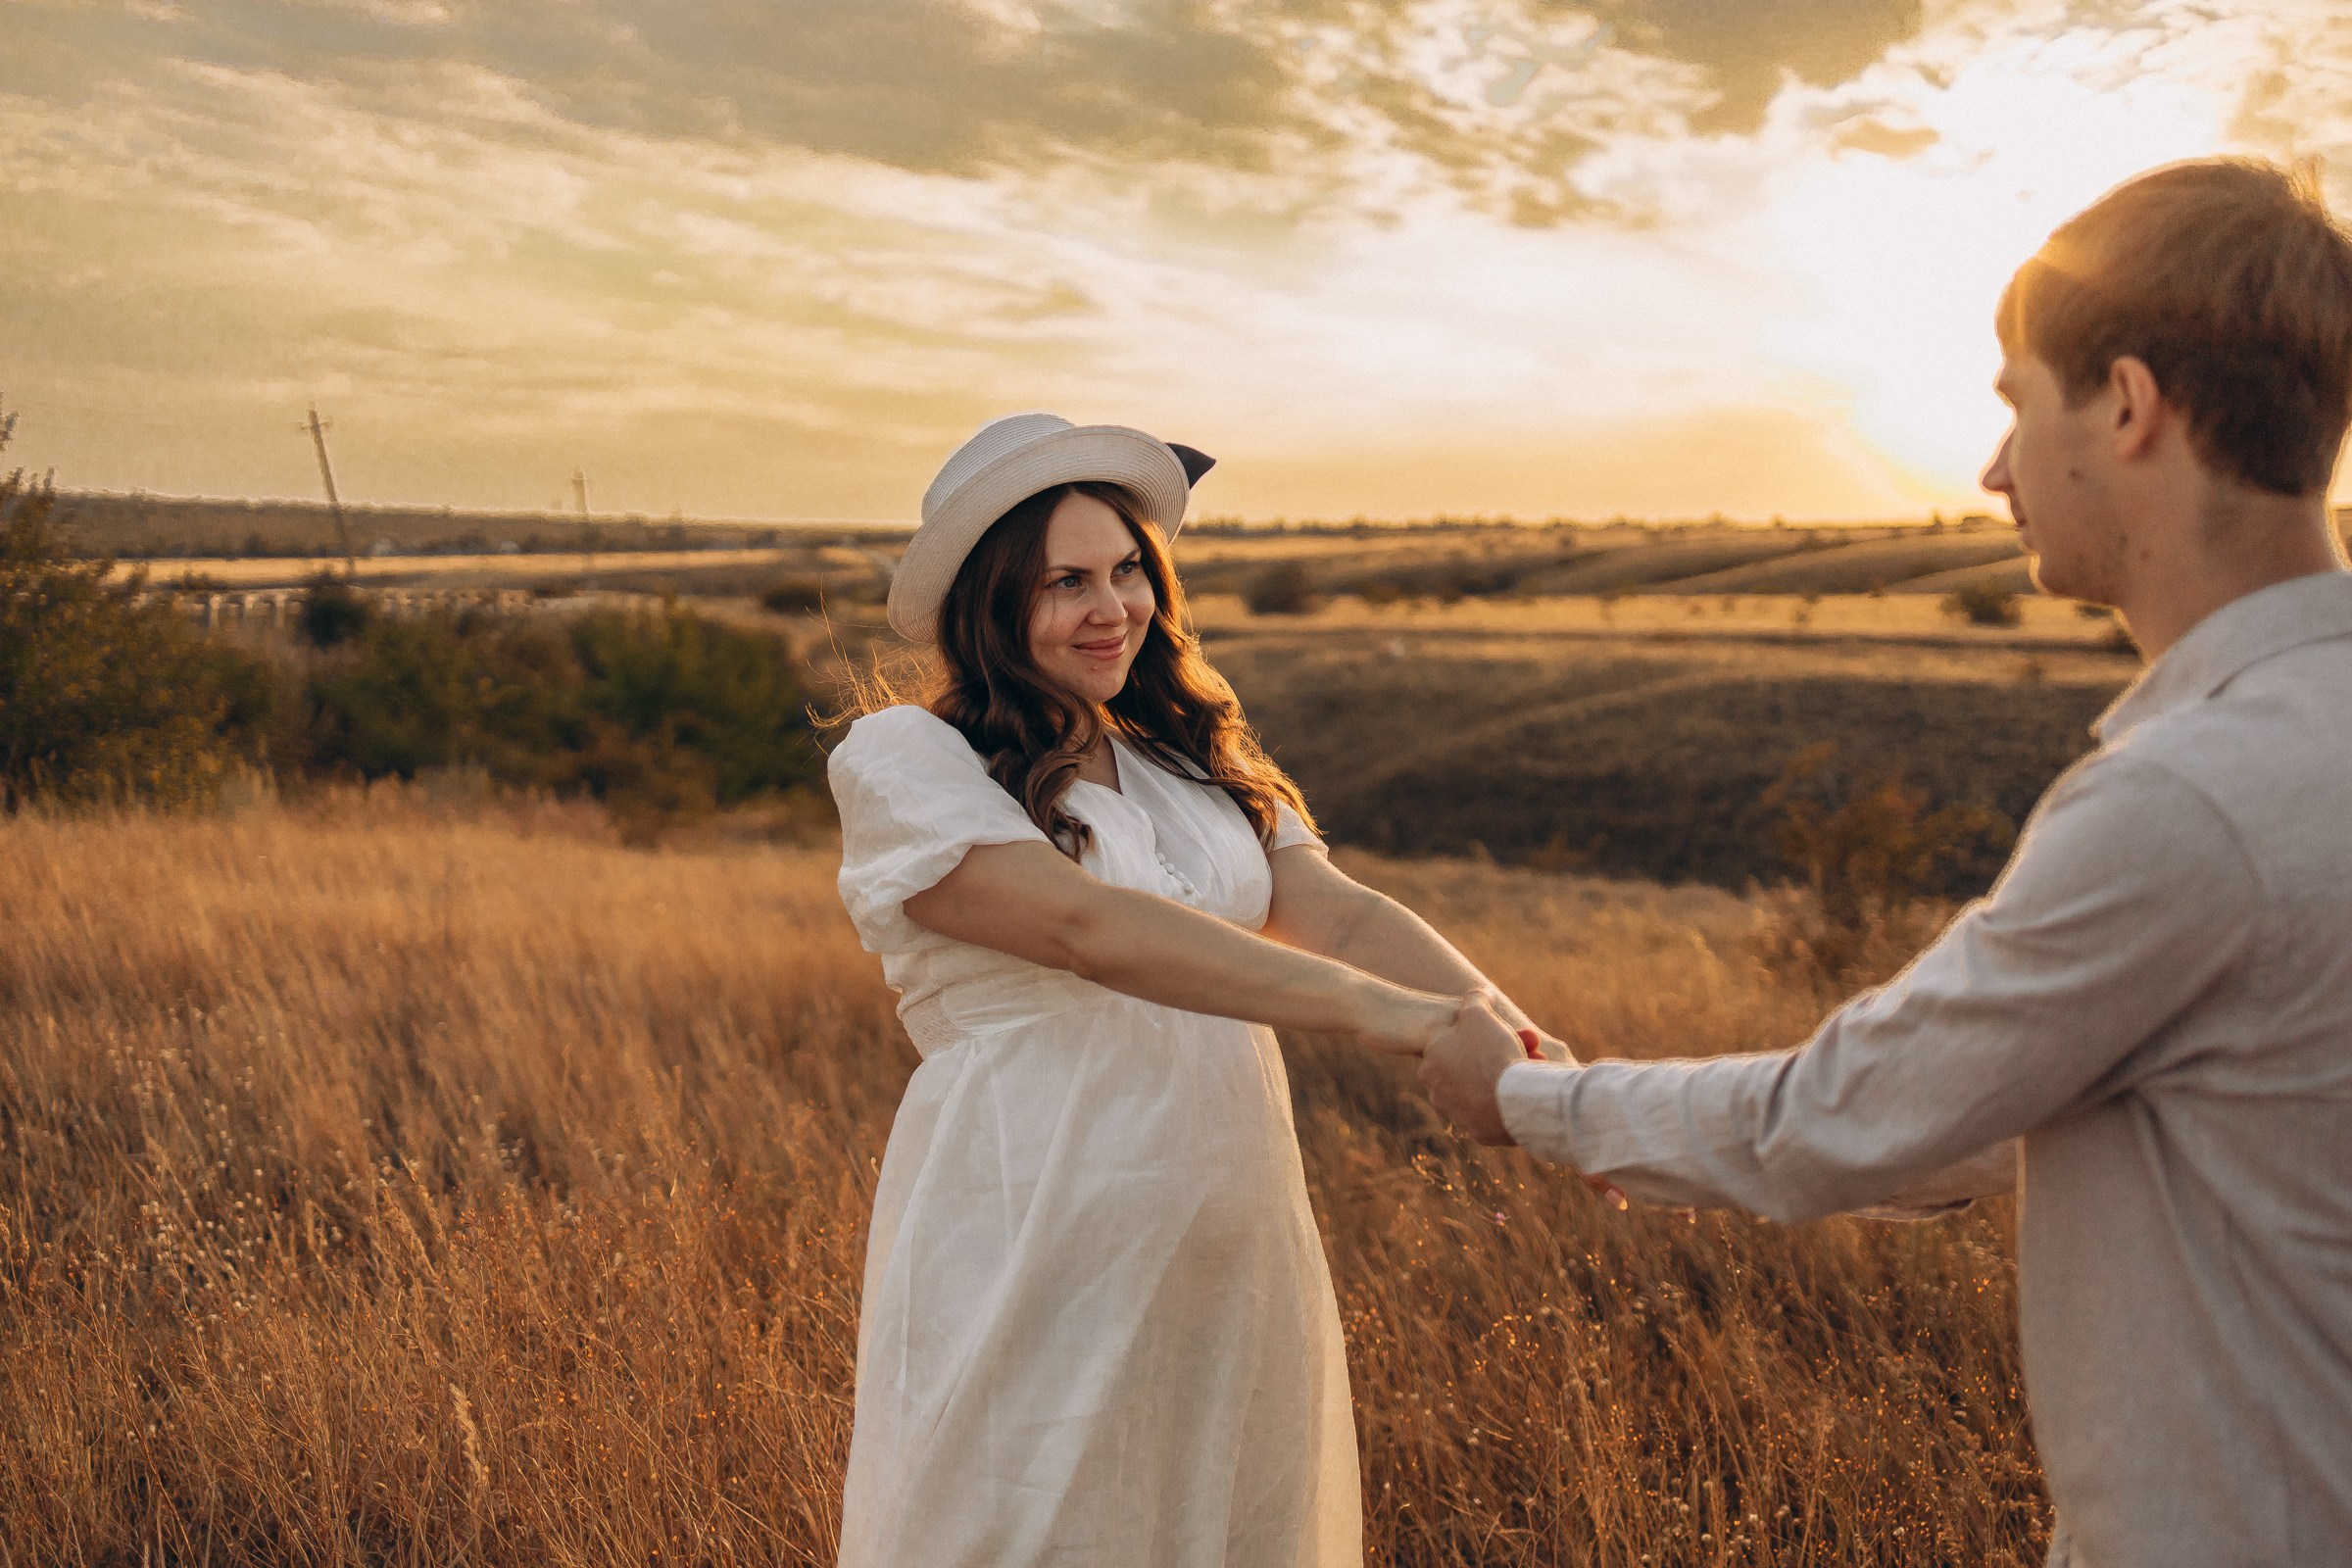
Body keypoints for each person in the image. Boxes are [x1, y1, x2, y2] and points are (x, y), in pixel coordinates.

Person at [1420, 157, 2352, 1567]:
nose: (1990, 472)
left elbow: (1840, 1117)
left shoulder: (2186, 800)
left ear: (2125, 402)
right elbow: (1982, 1110)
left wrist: (1530, 1102)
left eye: (2010, 405)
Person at [827, 412, 1562, 1567]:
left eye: (1126, 570)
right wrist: (1407, 1024)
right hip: (1037, 1229)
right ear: (990, 605)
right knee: (1022, 1527)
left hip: (1228, 1234)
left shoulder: (1190, 761)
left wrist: (1524, 1048)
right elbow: (1087, 930)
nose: (1110, 605)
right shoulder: (909, 761)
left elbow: (1344, 910)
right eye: (1065, 580)